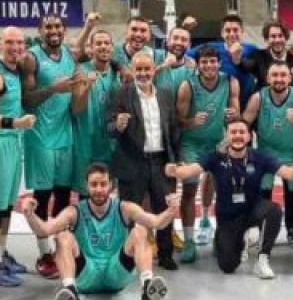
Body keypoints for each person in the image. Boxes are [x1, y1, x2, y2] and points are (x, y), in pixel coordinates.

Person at [24, 163, 174, 300]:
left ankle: (148, 288)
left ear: (111, 185)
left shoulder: (124, 208)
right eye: (94, 184)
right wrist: (29, 214)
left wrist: (171, 210)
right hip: (86, 275)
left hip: (117, 271)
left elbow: (156, 222)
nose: (99, 189)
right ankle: (71, 293)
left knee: (140, 231)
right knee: (63, 237)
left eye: (103, 184)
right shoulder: (74, 211)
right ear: (86, 186)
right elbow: (44, 230)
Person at [166, 120, 293, 279]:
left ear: (249, 136)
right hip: (228, 218)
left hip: (253, 210)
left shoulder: (260, 157)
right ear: (226, 136)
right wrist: (174, 171)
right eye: (233, 132)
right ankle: (239, 240)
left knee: (274, 210)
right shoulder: (215, 158)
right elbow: (189, 171)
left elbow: (288, 173)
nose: (238, 136)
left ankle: (262, 260)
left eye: (241, 132)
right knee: (227, 266)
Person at [108, 51, 181, 270]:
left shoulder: (166, 94)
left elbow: (173, 129)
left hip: (161, 162)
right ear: (132, 70)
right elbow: (108, 126)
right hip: (132, 161)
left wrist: (175, 160)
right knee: (130, 213)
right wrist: (118, 126)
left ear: (154, 70)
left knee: (165, 210)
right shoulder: (120, 93)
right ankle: (129, 257)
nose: (142, 73)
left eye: (146, 69)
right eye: (138, 69)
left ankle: (166, 255)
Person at [0, 27, 37, 287]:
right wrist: (15, 122)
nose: (15, 47)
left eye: (20, 43)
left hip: (13, 142)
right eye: (10, 42)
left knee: (7, 205)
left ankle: (1, 255)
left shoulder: (15, 70)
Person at [20, 15, 79, 278]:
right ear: (40, 31)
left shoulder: (69, 55)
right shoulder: (31, 58)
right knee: (42, 196)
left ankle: (60, 247)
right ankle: (44, 253)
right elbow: (27, 100)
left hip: (65, 133)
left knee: (64, 195)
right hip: (41, 135)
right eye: (48, 27)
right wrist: (53, 89)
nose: (53, 31)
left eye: (57, 26)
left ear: (64, 30)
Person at [175, 45, 239, 263]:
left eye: (213, 61)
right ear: (198, 64)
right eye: (204, 62)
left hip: (217, 141)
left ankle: (211, 226)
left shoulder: (230, 82)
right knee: (189, 189)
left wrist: (232, 115)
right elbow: (178, 120)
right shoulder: (188, 85)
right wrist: (191, 121)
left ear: (219, 63)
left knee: (219, 186)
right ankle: (189, 241)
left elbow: (237, 113)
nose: (209, 65)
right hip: (192, 144)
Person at [244, 62, 293, 250]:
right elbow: (243, 124)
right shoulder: (258, 98)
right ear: (268, 78)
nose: (279, 79)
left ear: (290, 78)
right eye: (275, 75)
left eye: (283, 75)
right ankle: (260, 234)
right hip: (266, 153)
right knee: (263, 193)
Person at [71, 27, 121, 196]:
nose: (103, 46)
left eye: (107, 43)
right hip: (86, 144)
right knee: (86, 194)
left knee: (107, 194)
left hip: (110, 145)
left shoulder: (118, 73)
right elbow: (76, 109)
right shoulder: (80, 70)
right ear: (90, 48)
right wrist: (87, 86)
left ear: (112, 47)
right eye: (98, 43)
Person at [188, 13, 260, 105]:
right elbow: (186, 54)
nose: (232, 34)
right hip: (220, 105)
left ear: (242, 32)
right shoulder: (212, 47)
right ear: (222, 33)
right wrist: (193, 62)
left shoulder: (252, 49)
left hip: (247, 103)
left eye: (235, 30)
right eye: (228, 30)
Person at [243, 20, 293, 93]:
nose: (277, 40)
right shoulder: (258, 56)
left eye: (280, 36)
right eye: (273, 36)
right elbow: (242, 66)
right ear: (266, 40)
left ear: (286, 38)